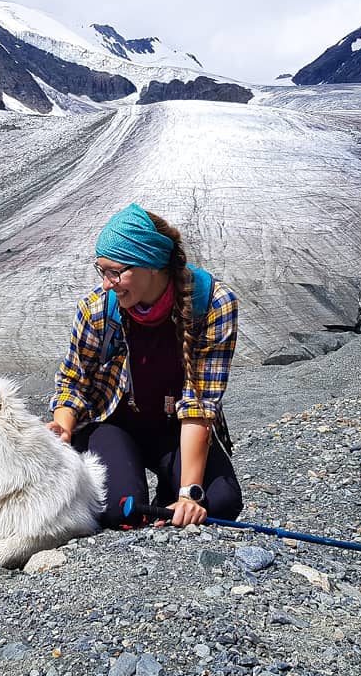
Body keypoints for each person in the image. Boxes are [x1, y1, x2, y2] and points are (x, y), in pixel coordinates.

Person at [49, 203, 243, 528]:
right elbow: (73, 382)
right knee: (117, 510)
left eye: (116, 272)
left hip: (174, 426)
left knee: (219, 502)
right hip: (113, 423)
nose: (107, 283)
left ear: (151, 264)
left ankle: (170, 496)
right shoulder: (96, 310)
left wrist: (189, 494)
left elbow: (200, 403)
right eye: (102, 271)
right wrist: (64, 425)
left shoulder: (213, 305)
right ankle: (158, 502)